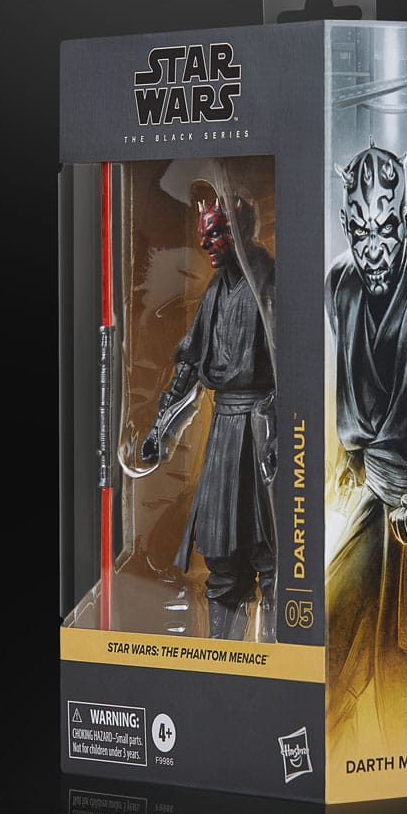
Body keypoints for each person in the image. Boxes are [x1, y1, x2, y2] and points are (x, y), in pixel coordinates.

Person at [326, 141, 407, 747]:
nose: (373, 250)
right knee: (329, 661)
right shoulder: (339, 286)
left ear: (405, 219)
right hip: (374, 510)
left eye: (385, 229)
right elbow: (350, 397)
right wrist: (349, 462)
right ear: (345, 224)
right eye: (360, 231)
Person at [141, 195, 276, 641]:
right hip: (224, 435)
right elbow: (189, 365)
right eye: (204, 235)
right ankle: (223, 662)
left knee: (272, 558)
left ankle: (278, 660)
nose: (206, 244)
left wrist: (281, 431)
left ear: (240, 229)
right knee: (222, 561)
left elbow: (297, 367)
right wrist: (161, 428)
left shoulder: (271, 282)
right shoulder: (216, 291)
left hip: (265, 432)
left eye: (216, 232)